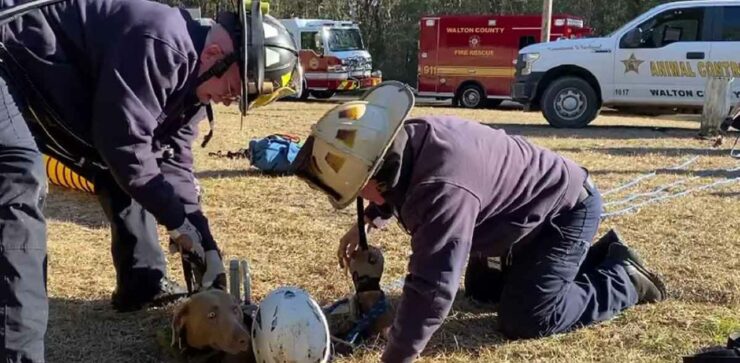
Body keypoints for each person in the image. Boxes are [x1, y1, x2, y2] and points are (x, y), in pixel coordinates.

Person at [0, 0, 301, 360]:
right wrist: (175, 221)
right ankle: (18, 352)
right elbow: (124, 146)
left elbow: (173, 165)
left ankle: (142, 285)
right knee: (19, 176)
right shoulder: (162, 42)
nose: (227, 100)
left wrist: (205, 242)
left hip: (40, 85)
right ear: (217, 53)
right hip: (7, 57)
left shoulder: (194, 81)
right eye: (233, 88)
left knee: (137, 176)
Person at [291, 81, 667, 363]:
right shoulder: (404, 143)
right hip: (514, 218)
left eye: (360, 191)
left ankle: (624, 278)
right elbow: (397, 185)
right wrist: (370, 218)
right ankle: (573, 265)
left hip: (563, 213)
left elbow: (433, 288)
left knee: (527, 318)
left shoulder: (440, 189)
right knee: (482, 290)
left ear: (374, 175)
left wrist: (396, 358)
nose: (360, 199)